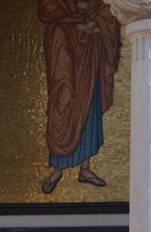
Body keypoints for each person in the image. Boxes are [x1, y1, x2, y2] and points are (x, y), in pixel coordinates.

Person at [38, 0, 122, 194]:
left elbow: (109, 9)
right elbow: (46, 10)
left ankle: (85, 168)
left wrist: (97, 22)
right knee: (63, 99)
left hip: (90, 48)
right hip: (63, 44)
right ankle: (57, 168)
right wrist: (76, 8)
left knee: (89, 101)